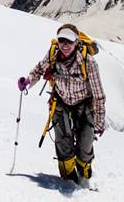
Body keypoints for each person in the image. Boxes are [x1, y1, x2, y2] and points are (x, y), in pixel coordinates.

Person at [17, 23, 106, 185]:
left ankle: (84, 173)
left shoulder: (88, 62)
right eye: (61, 40)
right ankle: (68, 179)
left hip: (84, 103)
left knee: (85, 145)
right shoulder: (53, 54)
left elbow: (99, 95)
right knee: (62, 143)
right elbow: (39, 69)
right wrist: (28, 81)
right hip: (60, 101)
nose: (65, 45)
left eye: (69, 41)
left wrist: (99, 122)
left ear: (76, 42)